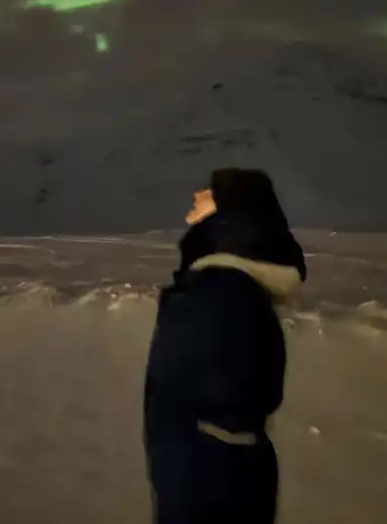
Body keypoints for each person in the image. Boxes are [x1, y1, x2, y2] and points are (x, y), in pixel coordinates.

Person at [143, 167, 306, 524]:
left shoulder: (221, 293)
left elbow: (222, 421)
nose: (197, 194)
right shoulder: (223, 288)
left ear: (230, 215)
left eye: (210, 192)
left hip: (204, 491)